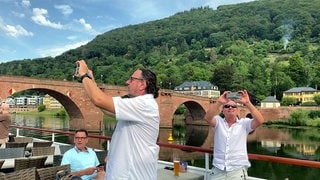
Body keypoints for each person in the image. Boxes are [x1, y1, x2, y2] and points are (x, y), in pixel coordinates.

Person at [75, 60, 160, 180]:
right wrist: (91, 80)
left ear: (142, 84)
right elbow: (105, 108)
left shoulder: (144, 105)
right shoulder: (137, 106)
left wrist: (84, 75)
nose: (127, 82)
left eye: (131, 79)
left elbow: (98, 100)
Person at [205, 90, 264, 180]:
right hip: (218, 170)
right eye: (227, 106)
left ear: (237, 110)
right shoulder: (218, 122)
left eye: (233, 106)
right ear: (223, 110)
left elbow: (260, 120)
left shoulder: (244, 124)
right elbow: (207, 117)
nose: (230, 108)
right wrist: (219, 102)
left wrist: (248, 103)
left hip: (236, 171)